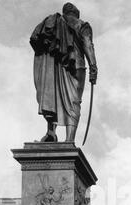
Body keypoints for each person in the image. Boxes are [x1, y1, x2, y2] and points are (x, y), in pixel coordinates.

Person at [30, 2, 98, 142]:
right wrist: (93, 66)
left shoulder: (52, 24)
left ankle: (51, 132)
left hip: (55, 67)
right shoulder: (82, 25)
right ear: (76, 14)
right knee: (74, 102)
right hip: (76, 66)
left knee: (52, 97)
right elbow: (87, 45)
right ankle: (69, 139)